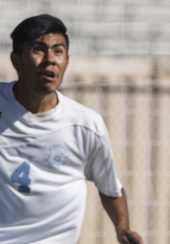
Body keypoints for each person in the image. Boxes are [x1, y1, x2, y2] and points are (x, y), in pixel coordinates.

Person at [0, 14, 142, 244]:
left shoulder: (85, 125)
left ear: (67, 60)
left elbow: (110, 188)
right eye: (38, 50)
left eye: (58, 51)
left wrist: (122, 228)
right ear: (16, 60)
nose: (50, 60)